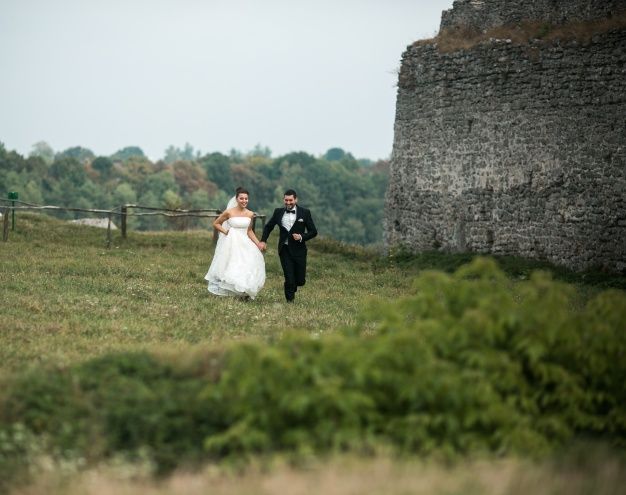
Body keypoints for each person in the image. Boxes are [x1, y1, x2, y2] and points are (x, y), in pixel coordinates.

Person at [204, 188, 265, 299]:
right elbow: (216, 223)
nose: (244, 200)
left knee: (246, 265)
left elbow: (249, 231)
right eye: (241, 198)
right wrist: (226, 232)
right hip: (232, 243)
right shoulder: (229, 212)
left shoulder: (250, 214)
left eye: (246, 198)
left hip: (245, 243)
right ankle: (231, 290)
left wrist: (258, 243)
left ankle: (244, 291)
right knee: (232, 264)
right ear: (236, 199)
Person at [258, 189, 317, 302]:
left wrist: (301, 237)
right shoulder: (278, 212)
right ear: (283, 199)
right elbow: (268, 227)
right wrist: (263, 240)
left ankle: (293, 285)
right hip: (284, 250)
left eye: (291, 200)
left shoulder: (305, 212)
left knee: (300, 280)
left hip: (299, 250)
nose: (288, 202)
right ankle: (290, 302)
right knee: (289, 278)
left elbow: (313, 231)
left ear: (296, 199)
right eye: (286, 200)